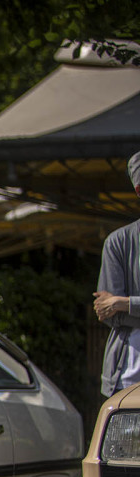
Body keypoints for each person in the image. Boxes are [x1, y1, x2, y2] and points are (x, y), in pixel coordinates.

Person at [94, 151, 140, 396]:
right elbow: (109, 314)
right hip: (128, 373)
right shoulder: (118, 242)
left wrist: (125, 303)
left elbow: (117, 307)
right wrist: (117, 307)